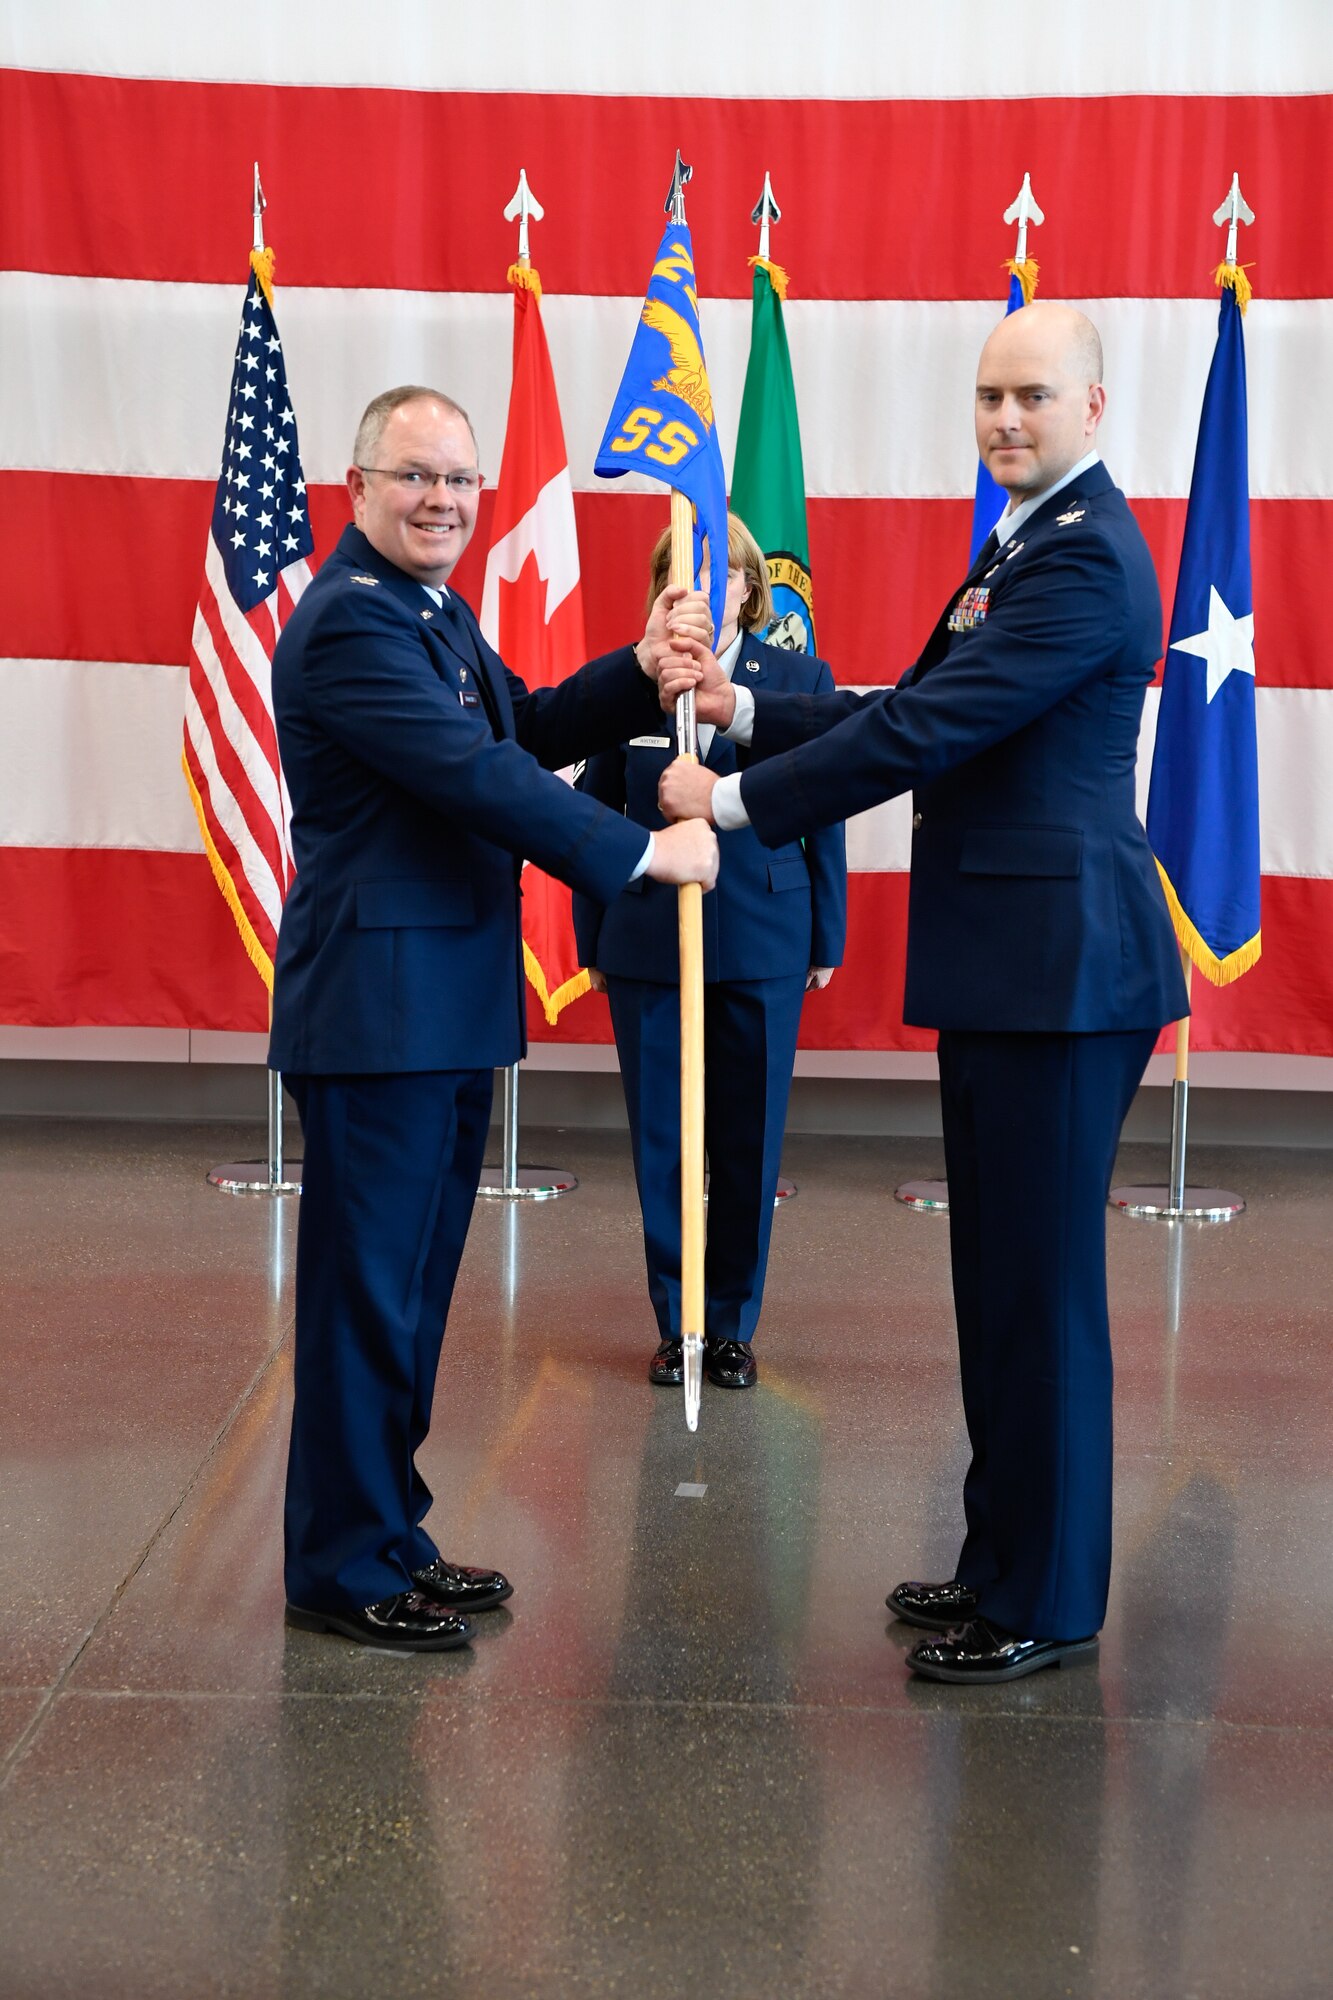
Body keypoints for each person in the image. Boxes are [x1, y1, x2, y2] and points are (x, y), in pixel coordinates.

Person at [657, 303, 1189, 1684]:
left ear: (1093, 407)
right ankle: (998, 1559)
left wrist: (729, 796)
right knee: (999, 1279)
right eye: (988, 397)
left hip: (1063, 973)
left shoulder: (1083, 561)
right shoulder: (1018, 547)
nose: (1004, 418)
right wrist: (750, 709)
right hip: (1014, 967)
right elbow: (910, 698)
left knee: (1044, 1290)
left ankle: (1049, 1601)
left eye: (1031, 396)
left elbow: (933, 729)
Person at [269, 385, 718, 1652]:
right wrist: (640, 855)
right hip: (379, 1011)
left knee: (411, 1292)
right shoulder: (351, 627)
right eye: (416, 477)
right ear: (355, 488)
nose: (444, 503)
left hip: (444, 1003)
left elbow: (516, 722)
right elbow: (478, 776)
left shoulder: (432, 612)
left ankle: (388, 1526)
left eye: (461, 482)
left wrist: (635, 671)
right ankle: (340, 1562)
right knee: (368, 1293)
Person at [573, 514, 847, 1391]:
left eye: (722, 570)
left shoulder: (796, 678)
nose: (705, 584)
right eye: (685, 569)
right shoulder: (633, 681)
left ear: (747, 588)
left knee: (744, 1141)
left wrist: (824, 935)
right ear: (663, 587)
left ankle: (728, 1325)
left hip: (764, 933)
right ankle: (675, 1322)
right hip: (650, 934)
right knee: (663, 1141)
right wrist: (593, 936)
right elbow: (594, 814)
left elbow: (824, 808)